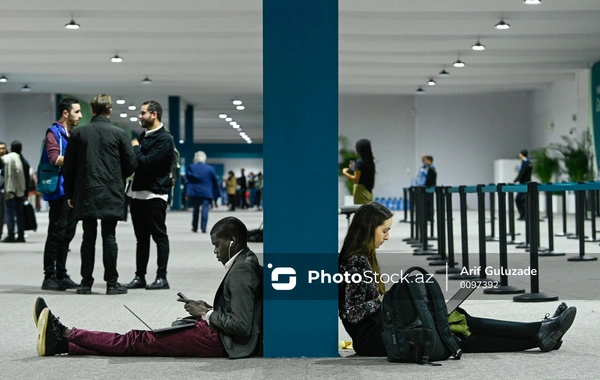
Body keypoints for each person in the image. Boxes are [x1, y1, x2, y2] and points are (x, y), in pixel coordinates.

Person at [338, 202, 577, 356]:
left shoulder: (361, 258)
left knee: (456, 319)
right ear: (370, 228)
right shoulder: (356, 261)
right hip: (374, 338)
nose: (387, 237)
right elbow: (352, 312)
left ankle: (540, 332)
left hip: (381, 329)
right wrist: (388, 301)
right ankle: (539, 333)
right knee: (452, 334)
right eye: (385, 230)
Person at [34, 216, 263, 359]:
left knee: (136, 341)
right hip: (219, 335)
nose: (215, 252)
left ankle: (65, 332)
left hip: (222, 341)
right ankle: (62, 344)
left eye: (217, 245)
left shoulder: (242, 270)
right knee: (141, 341)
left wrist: (206, 313)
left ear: (232, 241)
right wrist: (209, 309)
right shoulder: (246, 262)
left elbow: (242, 326)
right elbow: (241, 311)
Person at [63, 94, 138, 295]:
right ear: (109, 110)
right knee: (110, 237)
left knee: (88, 237)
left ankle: (86, 283)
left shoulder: (79, 133)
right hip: (111, 192)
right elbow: (131, 164)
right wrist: (116, 175)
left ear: (93, 110)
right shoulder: (120, 134)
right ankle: (112, 283)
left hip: (86, 191)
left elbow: (68, 166)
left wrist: (70, 192)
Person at [124, 101, 175, 291]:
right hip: (137, 193)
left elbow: (145, 163)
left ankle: (162, 277)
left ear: (154, 114)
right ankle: (140, 277)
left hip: (155, 194)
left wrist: (136, 147)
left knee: (159, 237)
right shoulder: (144, 135)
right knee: (141, 239)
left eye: (143, 113)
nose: (140, 116)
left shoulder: (165, 139)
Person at [40, 98, 82, 291]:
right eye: (77, 112)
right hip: (59, 191)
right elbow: (54, 158)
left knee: (68, 233)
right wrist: (78, 159)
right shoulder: (53, 133)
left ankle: (61, 274)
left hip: (71, 190)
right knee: (56, 233)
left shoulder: (71, 133)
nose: (80, 116)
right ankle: (49, 276)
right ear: (66, 113)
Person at [1, 140, 30, 243]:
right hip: (20, 192)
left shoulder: (9, 158)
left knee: (10, 213)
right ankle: (21, 235)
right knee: (19, 214)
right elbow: (26, 177)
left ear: (11, 148)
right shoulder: (23, 160)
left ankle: (11, 235)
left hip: (11, 190)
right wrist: (24, 192)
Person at [185, 151, 220, 234]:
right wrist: (216, 193)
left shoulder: (191, 167)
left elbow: (187, 181)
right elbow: (215, 181)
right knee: (205, 210)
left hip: (195, 192)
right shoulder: (210, 168)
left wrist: (187, 192)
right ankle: (203, 228)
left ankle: (194, 227)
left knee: (195, 210)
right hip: (207, 192)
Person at [342, 138, 375, 204]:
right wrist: (354, 168)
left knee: (360, 212)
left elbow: (356, 179)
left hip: (360, 192)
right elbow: (364, 175)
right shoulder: (371, 163)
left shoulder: (359, 162)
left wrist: (345, 173)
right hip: (369, 192)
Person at [514, 149, 532, 220]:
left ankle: (525, 215)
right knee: (520, 199)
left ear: (521, 154)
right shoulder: (526, 162)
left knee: (521, 199)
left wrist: (515, 180)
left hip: (525, 184)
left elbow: (522, 173)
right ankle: (523, 215)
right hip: (523, 184)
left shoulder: (526, 163)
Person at [0, 141, 6, 240]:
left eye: (3, 148)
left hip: (3, 191)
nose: (1, 150)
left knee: (1, 214)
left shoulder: (6, 161)